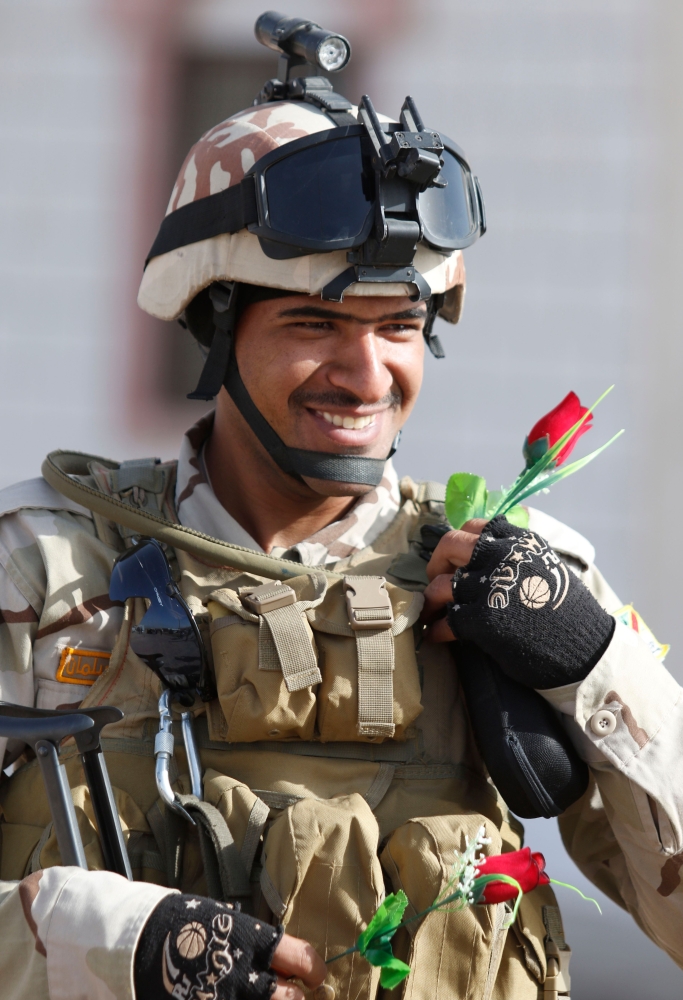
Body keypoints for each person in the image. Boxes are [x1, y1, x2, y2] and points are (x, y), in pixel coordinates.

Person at [1, 16, 683, 1000]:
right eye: (313, 322)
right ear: (213, 323)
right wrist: (118, 945)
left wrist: (593, 666)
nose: (366, 374)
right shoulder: (46, 570)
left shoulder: (516, 577)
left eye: (398, 325)